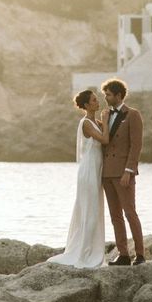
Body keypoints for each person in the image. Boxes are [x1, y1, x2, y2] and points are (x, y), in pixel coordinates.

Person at [44, 88, 109, 268]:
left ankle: (90, 250)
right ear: (87, 105)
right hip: (88, 170)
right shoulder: (87, 123)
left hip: (96, 170)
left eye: (97, 99)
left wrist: (104, 122)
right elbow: (105, 140)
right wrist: (105, 121)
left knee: (94, 209)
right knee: (90, 210)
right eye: (94, 100)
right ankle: (83, 254)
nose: (98, 102)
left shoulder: (95, 121)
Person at [100, 77, 145, 265]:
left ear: (118, 95)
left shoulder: (132, 114)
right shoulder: (106, 115)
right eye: (104, 95)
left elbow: (136, 146)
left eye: (108, 95)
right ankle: (123, 254)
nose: (105, 98)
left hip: (123, 173)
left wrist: (129, 170)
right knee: (115, 215)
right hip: (107, 173)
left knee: (130, 213)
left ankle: (140, 254)